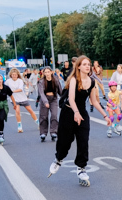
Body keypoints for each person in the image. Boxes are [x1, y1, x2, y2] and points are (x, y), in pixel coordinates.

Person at [47, 55, 112, 186]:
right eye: (84, 64)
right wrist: (75, 113)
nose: (87, 66)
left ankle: (81, 168)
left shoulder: (92, 82)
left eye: (89, 64)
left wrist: (105, 115)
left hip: (82, 114)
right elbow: (71, 98)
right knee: (65, 141)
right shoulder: (74, 80)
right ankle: (58, 159)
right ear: (78, 67)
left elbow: (94, 101)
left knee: (83, 140)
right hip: (68, 112)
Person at [5, 68, 39, 133]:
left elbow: (20, 89)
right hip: (14, 99)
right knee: (17, 111)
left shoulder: (20, 81)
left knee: (30, 110)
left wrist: (11, 91)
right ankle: (19, 126)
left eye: (15, 75)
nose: (14, 76)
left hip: (22, 98)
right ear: (11, 75)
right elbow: (4, 87)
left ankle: (38, 123)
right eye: (13, 75)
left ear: (17, 75)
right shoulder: (8, 81)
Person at [37, 67, 62, 142]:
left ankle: (53, 132)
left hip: (53, 99)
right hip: (45, 99)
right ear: (44, 73)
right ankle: (43, 133)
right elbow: (41, 93)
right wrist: (45, 102)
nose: (47, 73)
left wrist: (64, 99)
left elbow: (60, 90)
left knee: (54, 115)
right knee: (44, 117)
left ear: (51, 72)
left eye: (48, 72)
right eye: (46, 72)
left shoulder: (56, 79)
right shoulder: (41, 81)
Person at [0, 74, 17, 145]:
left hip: (3, 105)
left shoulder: (6, 88)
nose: (0, 81)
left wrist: (14, 104)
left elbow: (11, 96)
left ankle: (0, 134)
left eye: (1, 79)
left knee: (1, 118)